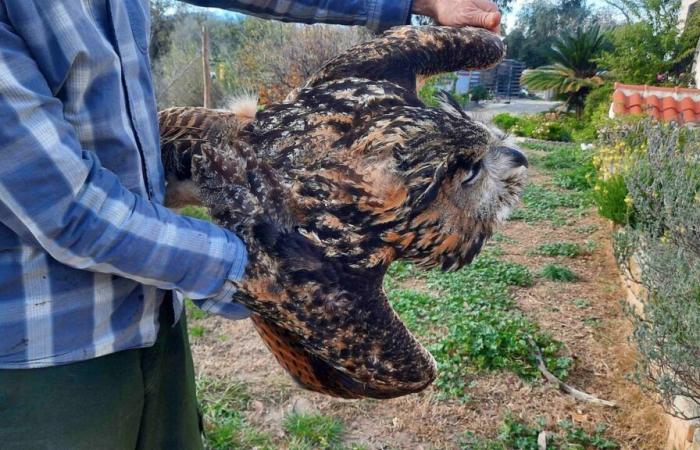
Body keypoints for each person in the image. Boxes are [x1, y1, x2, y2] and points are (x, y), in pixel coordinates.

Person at [0, 1, 501, 448]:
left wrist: (418, 1)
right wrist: (264, 275)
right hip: (47, 353)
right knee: (396, 371)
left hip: (154, 315)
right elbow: (68, 210)